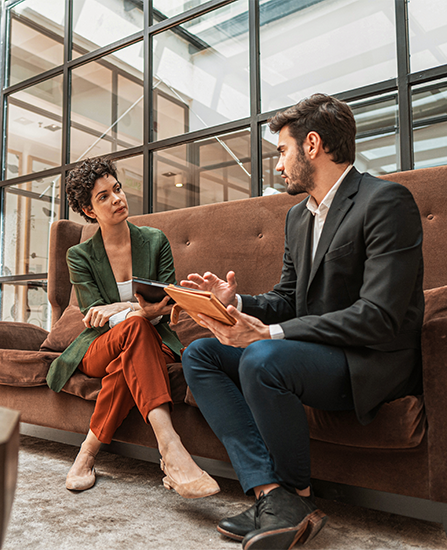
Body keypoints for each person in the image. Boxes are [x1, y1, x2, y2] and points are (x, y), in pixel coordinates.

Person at [180, 93, 424, 549]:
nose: (278, 166)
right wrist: (237, 301)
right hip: (310, 354)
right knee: (201, 354)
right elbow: (290, 298)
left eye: (282, 151)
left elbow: (380, 316)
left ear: (312, 144)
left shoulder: (386, 201)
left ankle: (298, 494)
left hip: (367, 360)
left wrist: (269, 333)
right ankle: (275, 496)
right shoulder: (298, 217)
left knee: (261, 358)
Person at [46, 157, 219, 499]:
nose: (117, 199)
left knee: (132, 351)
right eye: (104, 197)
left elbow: (170, 303)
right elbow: (96, 316)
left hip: (155, 339)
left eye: (117, 189)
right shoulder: (79, 255)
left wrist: (124, 309)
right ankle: (170, 448)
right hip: (99, 345)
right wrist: (138, 311)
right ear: (89, 210)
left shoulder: (154, 241)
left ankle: (88, 454)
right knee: (135, 330)